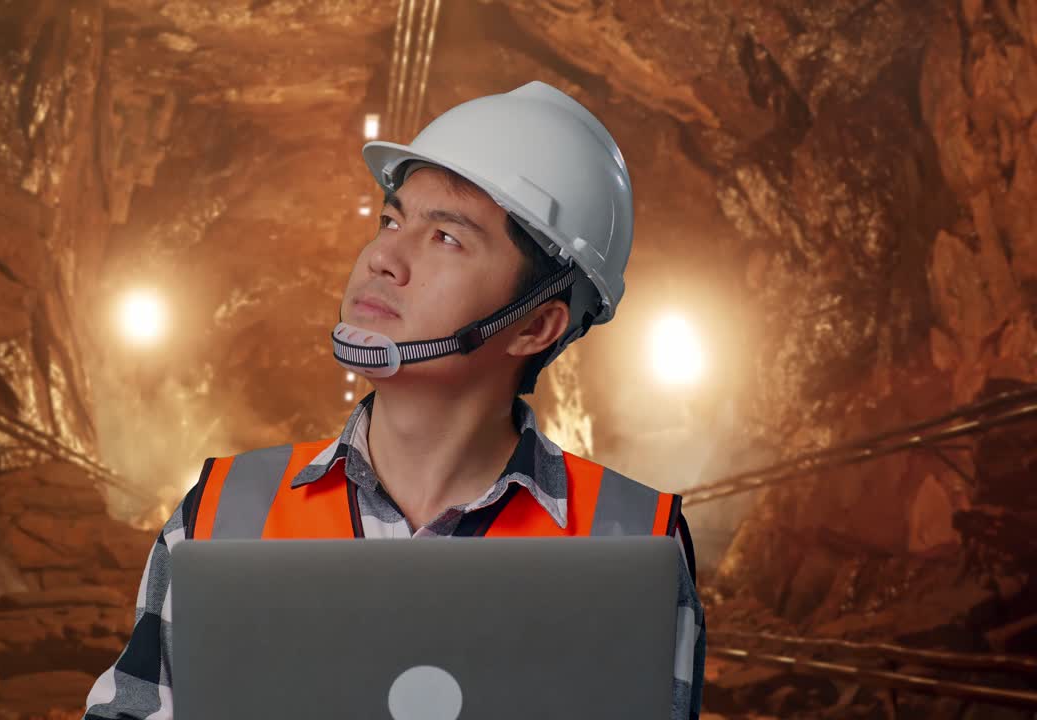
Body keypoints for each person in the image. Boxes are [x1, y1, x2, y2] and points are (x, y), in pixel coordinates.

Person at [83, 80, 705, 719]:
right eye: (391, 219)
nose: (383, 256)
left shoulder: (636, 541)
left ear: (535, 326)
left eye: (446, 238)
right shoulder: (220, 517)